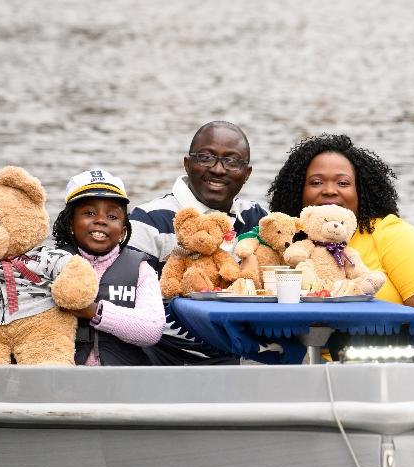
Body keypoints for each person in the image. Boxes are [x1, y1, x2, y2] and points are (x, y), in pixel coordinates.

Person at [267, 133, 414, 310]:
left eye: (343, 183)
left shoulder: (391, 233)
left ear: (360, 191)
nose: (330, 190)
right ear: (298, 191)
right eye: (316, 182)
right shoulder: (285, 243)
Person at [52, 169, 166, 366]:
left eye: (112, 216)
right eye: (89, 213)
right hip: (62, 377)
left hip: (123, 379)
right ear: (71, 222)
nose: (101, 220)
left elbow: (152, 330)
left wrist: (94, 311)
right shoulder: (50, 264)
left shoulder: (141, 268)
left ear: (123, 231)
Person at [128, 121, 268, 273]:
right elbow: (128, 290)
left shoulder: (260, 220)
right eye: (206, 157)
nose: (218, 170)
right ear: (187, 164)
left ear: (247, 174)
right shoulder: (148, 221)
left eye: (232, 161)